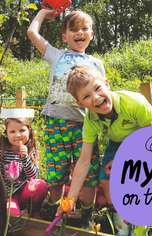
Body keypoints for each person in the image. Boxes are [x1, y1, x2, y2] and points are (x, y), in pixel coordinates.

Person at [58, 66, 152, 236]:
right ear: (80, 104)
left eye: (97, 88)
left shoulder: (134, 103)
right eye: (86, 96)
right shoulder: (90, 120)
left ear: (107, 84)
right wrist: (70, 199)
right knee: (106, 178)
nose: (96, 98)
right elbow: (83, 161)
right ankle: (123, 223)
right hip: (118, 142)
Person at [27, 8, 106, 206]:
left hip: (86, 125)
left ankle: (86, 215)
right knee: (56, 171)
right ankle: (55, 211)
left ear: (91, 34)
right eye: (73, 29)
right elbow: (31, 33)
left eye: (84, 28)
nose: (79, 33)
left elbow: (103, 94)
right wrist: (44, 13)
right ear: (64, 36)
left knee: (88, 171)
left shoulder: (97, 63)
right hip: (56, 122)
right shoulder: (56, 55)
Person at [0, 117, 48, 217]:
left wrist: (25, 158)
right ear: (5, 133)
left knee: (41, 185)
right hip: (8, 195)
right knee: (12, 214)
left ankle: (32, 212)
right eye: (12, 131)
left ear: (29, 130)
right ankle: (17, 216)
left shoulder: (31, 150)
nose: (18, 135)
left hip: (25, 192)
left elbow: (34, 176)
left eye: (22, 130)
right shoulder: (1, 152)